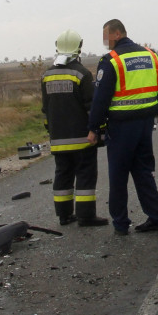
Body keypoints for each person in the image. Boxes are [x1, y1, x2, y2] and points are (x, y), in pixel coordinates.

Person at [87, 19, 158, 235]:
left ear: (117, 34)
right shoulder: (150, 55)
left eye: (106, 35)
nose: (105, 40)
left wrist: (94, 128)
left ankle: (121, 223)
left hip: (121, 126)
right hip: (145, 124)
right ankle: (157, 216)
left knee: (118, 175)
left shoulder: (112, 60)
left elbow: (101, 99)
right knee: (144, 171)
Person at [41, 29, 109, 227]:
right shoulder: (82, 74)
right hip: (82, 139)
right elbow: (91, 107)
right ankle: (86, 216)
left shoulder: (46, 75)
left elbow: (45, 109)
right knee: (85, 176)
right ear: (79, 47)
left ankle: (64, 215)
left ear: (57, 47)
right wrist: (99, 130)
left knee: (63, 175)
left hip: (58, 139)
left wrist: (51, 131)